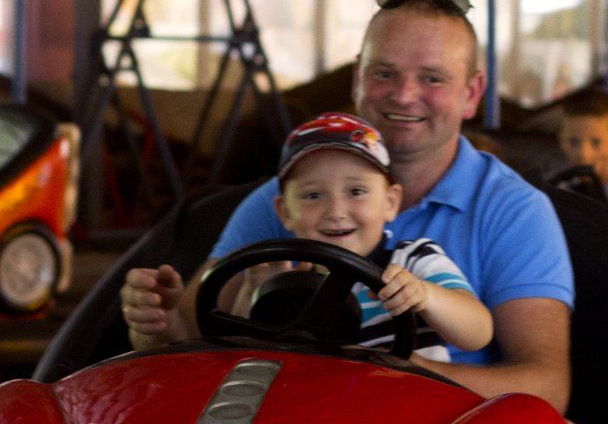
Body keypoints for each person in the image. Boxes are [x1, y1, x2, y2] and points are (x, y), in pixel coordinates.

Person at [120, 0, 574, 411]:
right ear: (358, 78)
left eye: (432, 78)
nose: (404, 95)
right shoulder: (284, 201)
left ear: (471, 93)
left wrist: (403, 373)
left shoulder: (513, 213)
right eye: (384, 73)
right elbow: (200, 333)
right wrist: (161, 320)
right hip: (296, 419)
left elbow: (546, 386)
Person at [127, 111, 494, 361]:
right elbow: (231, 355)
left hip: (408, 416)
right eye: (313, 195)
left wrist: (426, 296)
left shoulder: (412, 261)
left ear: (391, 202)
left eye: (356, 192)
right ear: (284, 213)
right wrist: (245, 295)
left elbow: (477, 332)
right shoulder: (272, 273)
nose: (336, 211)